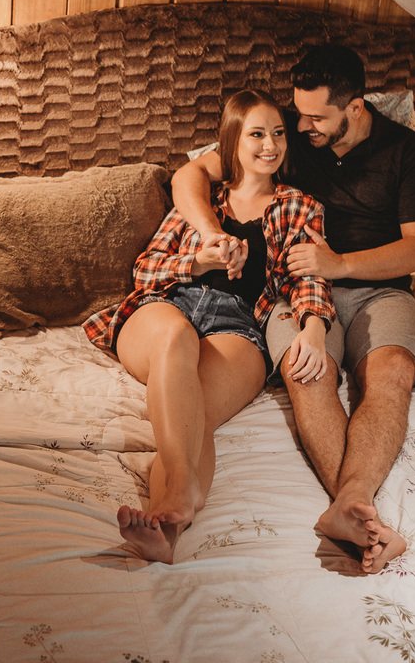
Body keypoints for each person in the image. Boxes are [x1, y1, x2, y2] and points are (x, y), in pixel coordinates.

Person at [170, 44, 415, 574]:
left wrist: (339, 264)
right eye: (299, 112)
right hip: (294, 289)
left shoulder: (407, 151)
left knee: (389, 376)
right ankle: (357, 513)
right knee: (306, 371)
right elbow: (188, 175)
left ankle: (350, 500)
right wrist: (210, 234)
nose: (302, 125)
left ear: (356, 108)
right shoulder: (290, 141)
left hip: (380, 288)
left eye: (317, 116)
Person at [83, 89, 335, 564]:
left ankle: (166, 531)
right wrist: (199, 261)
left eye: (278, 134)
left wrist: (314, 326)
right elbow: (145, 270)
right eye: (256, 134)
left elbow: (309, 276)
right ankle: (182, 484)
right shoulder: (201, 199)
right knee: (175, 338)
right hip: (166, 305)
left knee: (192, 417)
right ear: (231, 143)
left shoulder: (300, 207)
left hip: (236, 325)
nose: (270, 145)